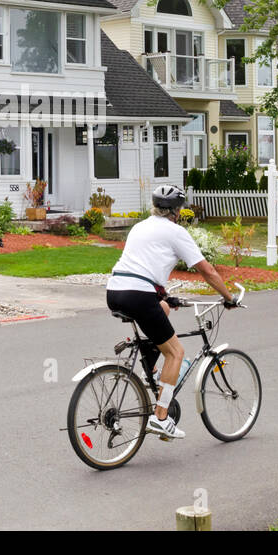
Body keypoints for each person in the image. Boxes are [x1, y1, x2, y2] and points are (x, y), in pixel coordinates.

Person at [106, 184, 239, 441]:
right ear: (177, 212)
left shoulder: (140, 226)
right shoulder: (176, 232)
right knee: (176, 352)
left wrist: (163, 297)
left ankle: (152, 370)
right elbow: (207, 271)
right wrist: (228, 297)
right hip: (139, 295)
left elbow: (142, 266)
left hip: (115, 291)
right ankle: (161, 417)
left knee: (163, 309)